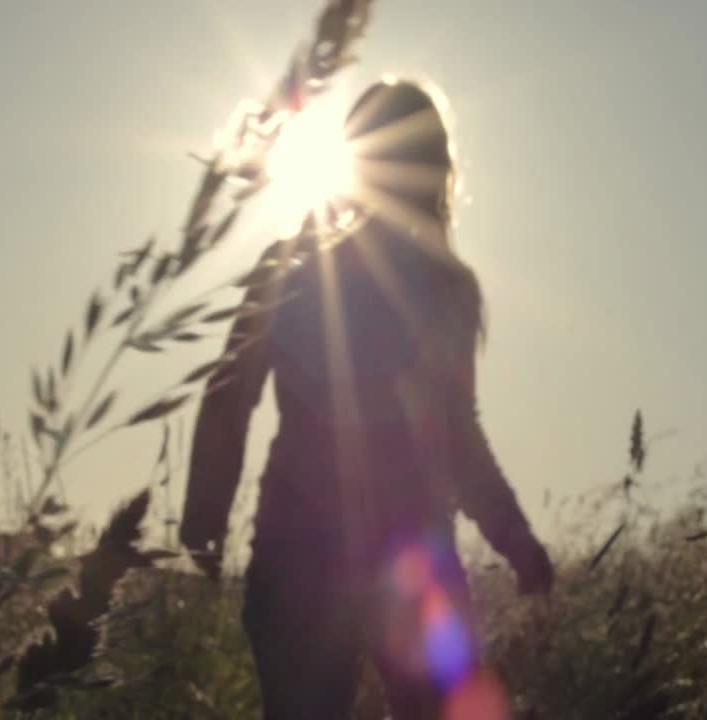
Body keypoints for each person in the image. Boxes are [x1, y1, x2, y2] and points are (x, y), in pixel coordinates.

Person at [181, 77, 553, 720]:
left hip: (308, 553)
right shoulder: (443, 289)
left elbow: (227, 398)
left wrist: (205, 522)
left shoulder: (291, 266)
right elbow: (458, 435)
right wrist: (516, 541)